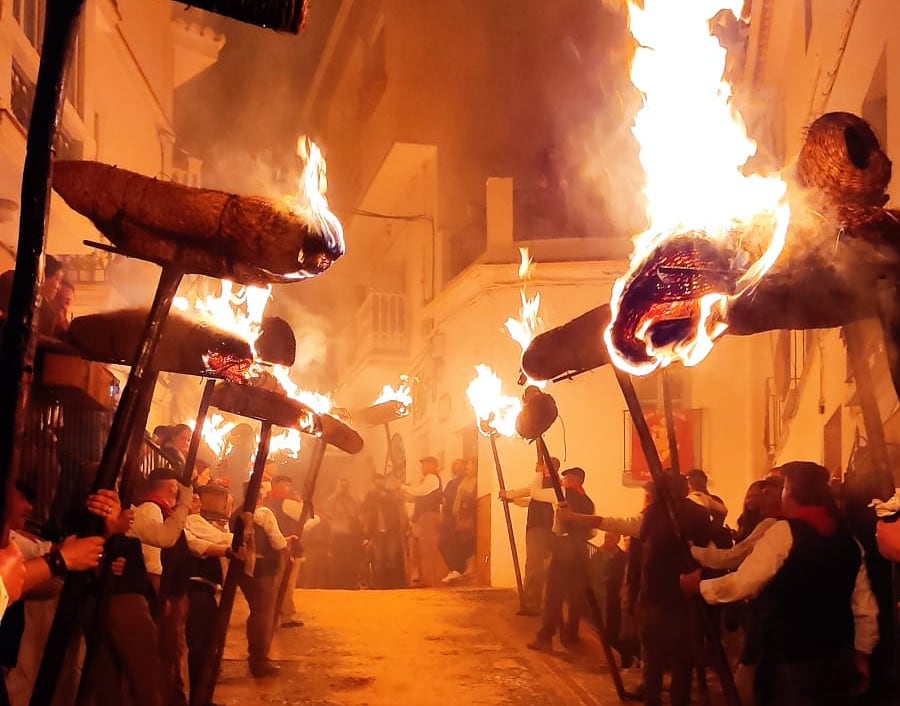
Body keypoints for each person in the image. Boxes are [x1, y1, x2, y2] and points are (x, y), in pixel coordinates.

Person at [681, 461, 879, 706]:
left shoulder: (784, 532)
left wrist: (700, 587)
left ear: (792, 491)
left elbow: (744, 583)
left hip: (790, 658)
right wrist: (863, 654)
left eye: (783, 487)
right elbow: (864, 607)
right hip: (837, 657)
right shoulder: (848, 539)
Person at [231, 481, 295, 678]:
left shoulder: (235, 514)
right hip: (262, 569)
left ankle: (257, 657)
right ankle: (259, 659)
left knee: (257, 612)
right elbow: (276, 541)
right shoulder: (264, 513)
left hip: (243, 570)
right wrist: (286, 554)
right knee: (263, 614)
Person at [527, 467, 595, 651]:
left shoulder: (563, 493)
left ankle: (545, 637)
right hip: (581, 547)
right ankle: (571, 636)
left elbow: (536, 494)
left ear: (575, 479)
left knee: (554, 594)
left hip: (564, 545)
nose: (563, 481)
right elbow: (593, 531)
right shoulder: (588, 501)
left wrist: (539, 473)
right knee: (575, 594)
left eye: (566, 478)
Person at [183, 484, 233, 706]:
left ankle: (201, 698)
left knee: (205, 648)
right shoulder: (191, 521)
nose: (198, 504)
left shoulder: (193, 522)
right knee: (201, 648)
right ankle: (198, 699)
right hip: (197, 591)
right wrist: (228, 548)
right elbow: (202, 545)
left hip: (204, 591)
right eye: (194, 500)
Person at [499, 456, 560, 615]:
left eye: (543, 466)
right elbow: (530, 499)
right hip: (538, 529)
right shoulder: (545, 486)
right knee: (535, 567)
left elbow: (532, 491)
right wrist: (511, 498)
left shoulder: (554, 485)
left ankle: (533, 604)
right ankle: (534, 602)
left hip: (542, 530)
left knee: (535, 568)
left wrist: (509, 494)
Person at [266, 474, 305, 627]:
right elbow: (306, 517)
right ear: (276, 485)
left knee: (280, 582)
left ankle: (276, 614)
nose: (287, 489)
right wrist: (300, 502)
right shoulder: (285, 504)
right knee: (287, 583)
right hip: (287, 546)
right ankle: (286, 616)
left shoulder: (269, 503)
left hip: (276, 546)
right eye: (284, 485)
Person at [360, 473, 408, 589]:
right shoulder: (370, 496)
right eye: (376, 482)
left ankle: (395, 585)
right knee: (379, 559)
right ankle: (379, 585)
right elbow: (363, 508)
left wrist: (384, 495)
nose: (379, 484)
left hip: (391, 531)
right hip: (377, 532)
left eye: (380, 482)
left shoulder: (390, 494)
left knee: (392, 558)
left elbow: (396, 503)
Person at [403, 457, 443, 587]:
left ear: (432, 465)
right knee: (420, 549)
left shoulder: (432, 478)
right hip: (422, 518)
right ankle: (424, 579)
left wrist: (401, 486)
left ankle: (430, 581)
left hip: (429, 517)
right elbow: (417, 496)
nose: (422, 467)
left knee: (427, 550)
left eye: (425, 464)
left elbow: (418, 492)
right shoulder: (427, 480)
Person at [323, 477, 362, 589]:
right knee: (338, 561)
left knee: (351, 561)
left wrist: (350, 495)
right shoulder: (333, 499)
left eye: (346, 486)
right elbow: (326, 508)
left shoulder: (352, 499)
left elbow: (359, 509)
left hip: (351, 535)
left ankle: (350, 584)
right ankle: (337, 584)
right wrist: (336, 493)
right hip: (338, 534)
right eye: (342, 486)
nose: (344, 488)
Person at [438, 459, 467, 583]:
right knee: (444, 543)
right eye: (454, 464)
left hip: (458, 517)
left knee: (453, 543)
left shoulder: (464, 481)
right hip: (448, 516)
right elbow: (443, 497)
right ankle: (454, 569)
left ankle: (457, 569)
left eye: (459, 464)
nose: (455, 466)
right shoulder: (451, 482)